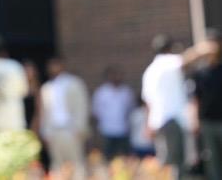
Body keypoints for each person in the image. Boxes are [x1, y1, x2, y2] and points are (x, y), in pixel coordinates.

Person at [143, 34, 190, 177]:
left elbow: (147, 101)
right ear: (170, 49)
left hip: (158, 121)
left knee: (165, 158)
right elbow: (185, 60)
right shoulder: (168, 61)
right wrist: (204, 49)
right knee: (175, 162)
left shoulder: (150, 70)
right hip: (172, 120)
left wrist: (148, 124)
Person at [39, 56, 90, 179]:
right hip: (54, 132)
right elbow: (44, 112)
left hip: (71, 130)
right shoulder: (47, 87)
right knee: (57, 165)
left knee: (76, 164)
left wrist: (80, 129)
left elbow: (82, 106)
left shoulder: (75, 83)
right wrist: (45, 133)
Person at [189, 30, 222, 180]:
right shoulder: (199, 72)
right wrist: (195, 120)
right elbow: (195, 98)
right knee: (211, 158)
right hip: (207, 121)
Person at [91, 65, 136, 161]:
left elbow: (131, 110)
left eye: (119, 75)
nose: (117, 77)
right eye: (114, 75)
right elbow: (96, 110)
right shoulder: (102, 92)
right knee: (108, 156)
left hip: (123, 129)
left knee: (125, 157)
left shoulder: (126, 92)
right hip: (107, 130)